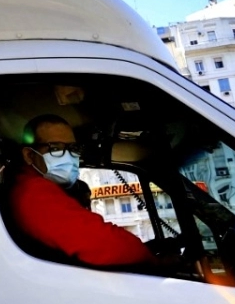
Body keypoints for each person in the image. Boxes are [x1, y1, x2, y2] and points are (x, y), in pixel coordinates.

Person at [10, 114, 157, 268]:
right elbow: (105, 245)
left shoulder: (39, 188)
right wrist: (154, 261)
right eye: (55, 148)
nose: (68, 156)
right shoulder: (34, 192)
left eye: (72, 148)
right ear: (29, 155)